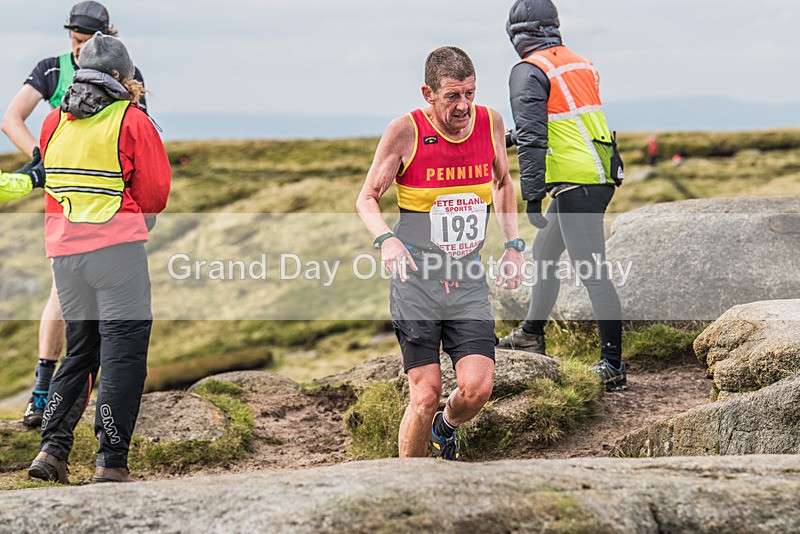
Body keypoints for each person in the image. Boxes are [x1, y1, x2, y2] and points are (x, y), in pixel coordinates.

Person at [356, 46, 524, 460]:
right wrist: (386, 239)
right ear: (428, 93)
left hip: (466, 282)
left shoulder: (490, 124)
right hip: (417, 282)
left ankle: (444, 428)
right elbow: (367, 197)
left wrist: (513, 245)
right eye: (452, 96)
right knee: (426, 393)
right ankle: (410, 487)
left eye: (470, 93)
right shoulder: (405, 131)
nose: (464, 105)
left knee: (477, 388)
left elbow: (502, 183)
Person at [27, 33, 170, 484]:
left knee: (80, 353)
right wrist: (134, 226)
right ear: (120, 78)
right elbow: (155, 194)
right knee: (123, 355)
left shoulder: (53, 122)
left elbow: (53, 186)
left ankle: (51, 451)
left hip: (65, 257)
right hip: (117, 256)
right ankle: (110, 461)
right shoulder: (131, 119)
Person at [0, 1, 147, 428]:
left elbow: (136, 134)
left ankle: (56, 398)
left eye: (85, 41)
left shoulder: (127, 74)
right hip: (68, 200)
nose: (79, 49)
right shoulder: (50, 69)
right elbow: (12, 118)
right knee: (64, 298)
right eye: (74, 40)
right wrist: (43, 160)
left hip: (104, 208)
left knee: (78, 301)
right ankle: (45, 391)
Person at [498, 0, 627, 391]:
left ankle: (613, 365)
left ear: (517, 34)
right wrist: (507, 139)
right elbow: (561, 123)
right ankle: (531, 334)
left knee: (593, 272)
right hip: (595, 171)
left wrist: (532, 193)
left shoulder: (528, 70)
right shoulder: (576, 62)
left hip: (576, 183)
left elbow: (536, 135)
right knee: (546, 252)